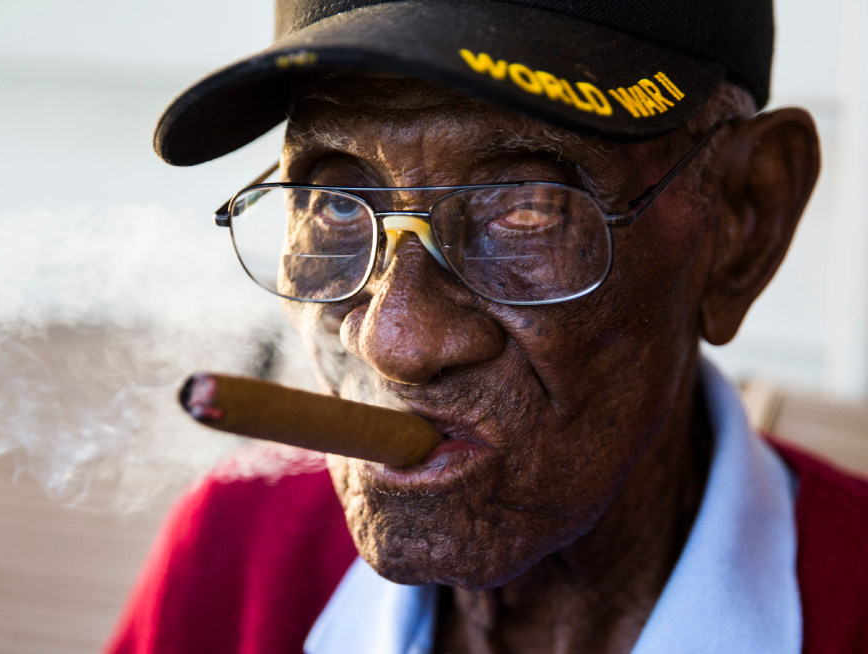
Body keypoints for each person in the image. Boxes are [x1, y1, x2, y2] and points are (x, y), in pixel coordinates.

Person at [107, 1, 868, 652]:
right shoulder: (239, 551)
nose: (393, 341)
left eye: (524, 208)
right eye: (338, 203)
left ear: (744, 219)